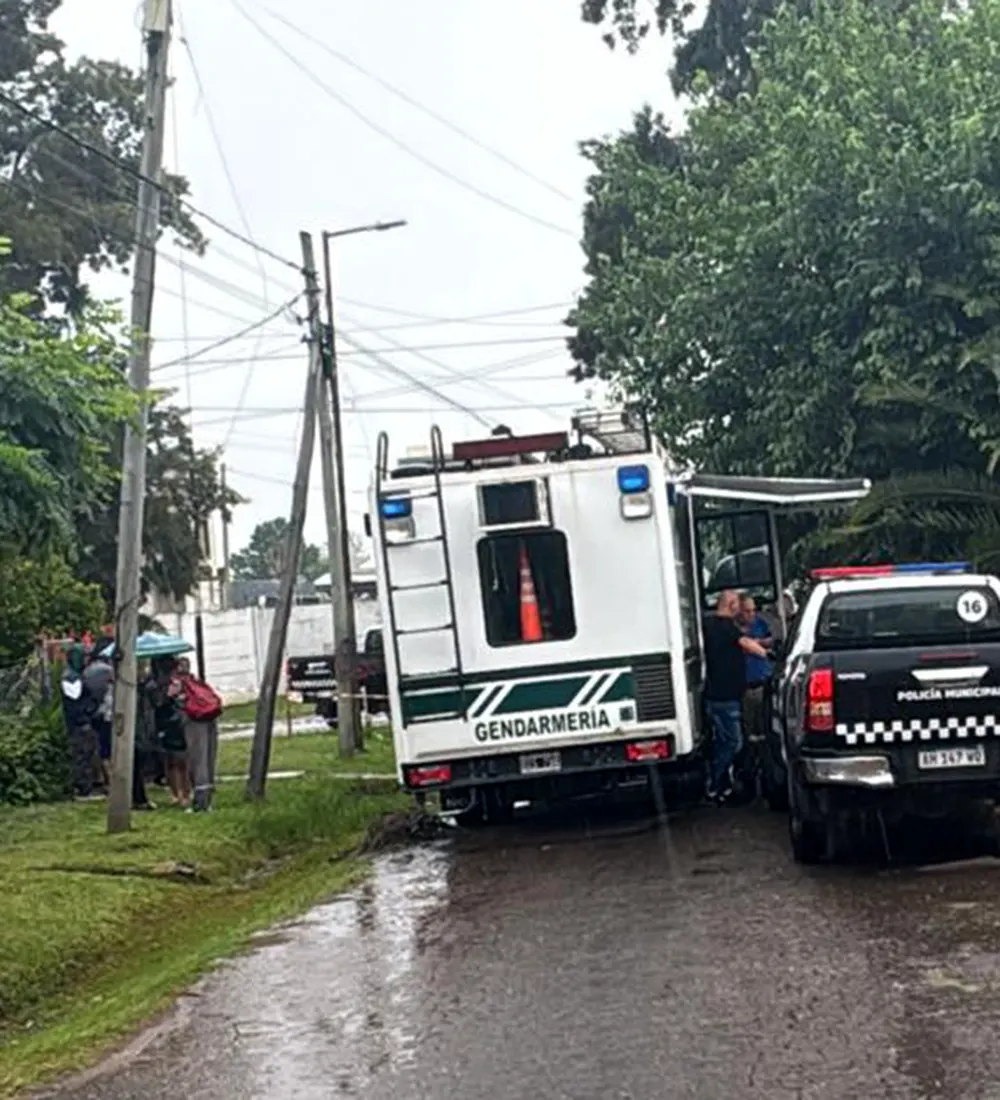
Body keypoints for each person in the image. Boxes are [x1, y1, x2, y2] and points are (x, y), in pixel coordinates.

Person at [703, 589, 770, 803]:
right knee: (733, 742)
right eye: (738, 606)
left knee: (725, 741)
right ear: (731, 605)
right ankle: (715, 784)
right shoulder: (725, 627)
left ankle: (722, 784)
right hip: (725, 697)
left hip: (718, 695)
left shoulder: (709, 625)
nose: (740, 610)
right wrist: (768, 654)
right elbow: (746, 644)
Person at [176, 657, 223, 813]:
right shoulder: (195, 681)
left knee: (197, 761)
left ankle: (201, 802)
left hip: (194, 721)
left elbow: (172, 700)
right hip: (208, 718)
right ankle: (207, 799)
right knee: (208, 759)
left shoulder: (179, 683)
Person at [149, 657, 190, 807]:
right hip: (169, 723)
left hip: (173, 723)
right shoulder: (157, 685)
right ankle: (178, 793)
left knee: (178, 761)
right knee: (173, 761)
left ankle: (182, 793)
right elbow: (158, 703)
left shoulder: (178, 683)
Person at [60, 643, 99, 797]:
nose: (87, 660)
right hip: (79, 724)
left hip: (83, 723)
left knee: (86, 754)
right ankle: (82, 788)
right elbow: (75, 700)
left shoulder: (76, 676)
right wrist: (89, 708)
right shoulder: (71, 677)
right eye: (84, 657)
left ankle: (85, 785)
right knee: (81, 755)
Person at [738, 594, 774, 749]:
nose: (751, 614)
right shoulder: (733, 629)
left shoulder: (760, 623)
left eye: (753, 610)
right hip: (743, 686)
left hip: (762, 681)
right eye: (747, 611)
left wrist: (758, 643)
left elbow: (771, 640)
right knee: (747, 727)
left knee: (764, 721)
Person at [83, 646, 115, 790]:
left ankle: (105, 779)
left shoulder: (87, 672)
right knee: (109, 750)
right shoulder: (108, 670)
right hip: (109, 716)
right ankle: (112, 780)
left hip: (96, 715)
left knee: (101, 749)